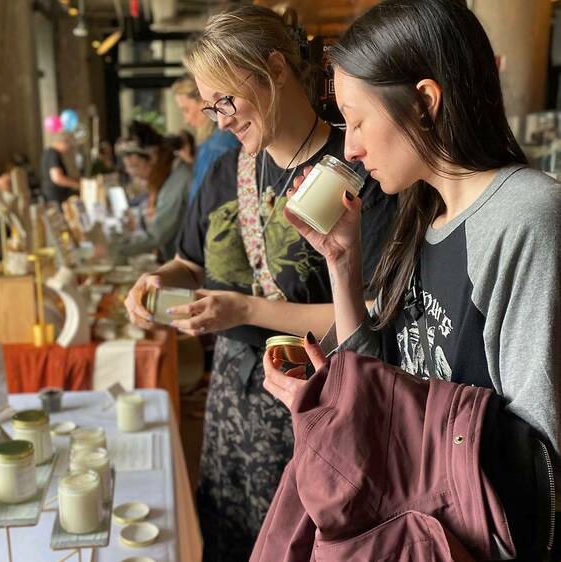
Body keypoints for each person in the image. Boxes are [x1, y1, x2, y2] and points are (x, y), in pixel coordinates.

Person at [262, 0, 560, 559]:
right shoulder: (424, 215)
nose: (349, 146)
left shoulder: (526, 217)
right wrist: (341, 263)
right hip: (420, 533)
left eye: (356, 119)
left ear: (424, 101)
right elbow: (393, 375)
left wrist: (362, 403)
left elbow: (537, 461)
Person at [124, 7, 396, 562]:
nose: (219, 120)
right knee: (227, 538)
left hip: (318, 399)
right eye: (209, 106)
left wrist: (244, 311)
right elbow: (190, 263)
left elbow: (375, 308)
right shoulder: (227, 170)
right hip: (231, 398)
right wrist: (158, 280)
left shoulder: (358, 164)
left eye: (226, 100)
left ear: (274, 68)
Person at [115, 121, 192, 261]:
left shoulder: (178, 181)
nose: (135, 175)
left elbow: (157, 235)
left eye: (136, 166)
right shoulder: (166, 178)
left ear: (153, 157)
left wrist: (115, 250)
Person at [172, 75, 240, 203]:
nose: (186, 120)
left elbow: (205, 199)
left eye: (186, 110)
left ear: (203, 101)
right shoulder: (213, 143)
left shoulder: (218, 145)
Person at [40, 132, 80, 203]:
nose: (68, 150)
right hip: (55, 197)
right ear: (63, 142)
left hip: (53, 195)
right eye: (69, 146)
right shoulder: (53, 154)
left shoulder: (49, 152)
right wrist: (76, 184)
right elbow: (57, 178)